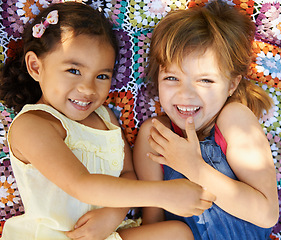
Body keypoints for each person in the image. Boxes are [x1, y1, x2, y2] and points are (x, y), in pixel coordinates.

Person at [0, 2, 216, 239]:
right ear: (35, 66)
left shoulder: (105, 118)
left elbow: (128, 174)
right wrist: (162, 194)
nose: (87, 88)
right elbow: (81, 185)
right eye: (74, 70)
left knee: (177, 233)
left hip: (106, 232)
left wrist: (113, 214)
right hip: (55, 235)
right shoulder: (32, 125)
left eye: (102, 76)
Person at [133, 1, 279, 239]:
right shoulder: (154, 135)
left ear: (231, 85)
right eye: (172, 77)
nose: (186, 94)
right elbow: (153, 223)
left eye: (206, 81)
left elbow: (267, 213)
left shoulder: (234, 120)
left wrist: (194, 168)